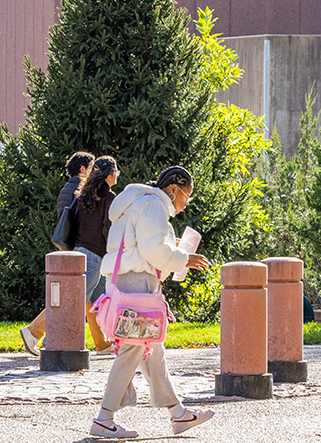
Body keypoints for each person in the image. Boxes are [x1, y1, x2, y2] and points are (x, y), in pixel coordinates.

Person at [90, 166, 214, 439]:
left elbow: (146, 243)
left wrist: (175, 246)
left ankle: (178, 414)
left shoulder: (141, 201)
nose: (186, 202)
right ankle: (104, 418)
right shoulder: (153, 204)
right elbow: (153, 250)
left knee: (153, 352)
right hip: (137, 284)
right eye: (186, 196)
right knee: (134, 351)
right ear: (174, 189)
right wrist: (184, 258)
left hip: (130, 281)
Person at [20, 151, 95, 355]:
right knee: (75, 298)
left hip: (73, 246)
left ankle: (103, 343)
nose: (92, 171)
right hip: (81, 247)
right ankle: (34, 331)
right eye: (91, 167)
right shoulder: (79, 188)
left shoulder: (67, 188)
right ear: (82, 169)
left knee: (93, 295)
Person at [70, 155, 119, 353]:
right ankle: (51, 340)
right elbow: (108, 228)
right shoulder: (109, 197)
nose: (118, 175)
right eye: (116, 171)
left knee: (101, 300)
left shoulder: (85, 194)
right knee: (76, 302)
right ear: (109, 176)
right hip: (95, 255)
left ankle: (106, 342)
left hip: (80, 250)